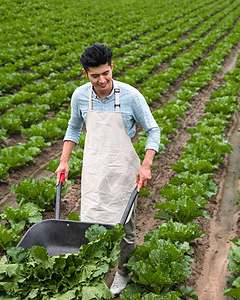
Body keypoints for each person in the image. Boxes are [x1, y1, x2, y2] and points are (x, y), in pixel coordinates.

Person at [55, 44, 160, 295]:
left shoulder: (131, 96)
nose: (102, 80)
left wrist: (146, 165)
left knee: (125, 228)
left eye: (105, 73)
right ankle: (95, 268)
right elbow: (73, 129)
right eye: (95, 76)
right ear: (85, 74)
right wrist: (64, 160)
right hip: (94, 169)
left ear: (111, 67)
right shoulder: (80, 96)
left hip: (123, 171)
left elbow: (153, 130)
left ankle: (122, 271)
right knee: (91, 222)